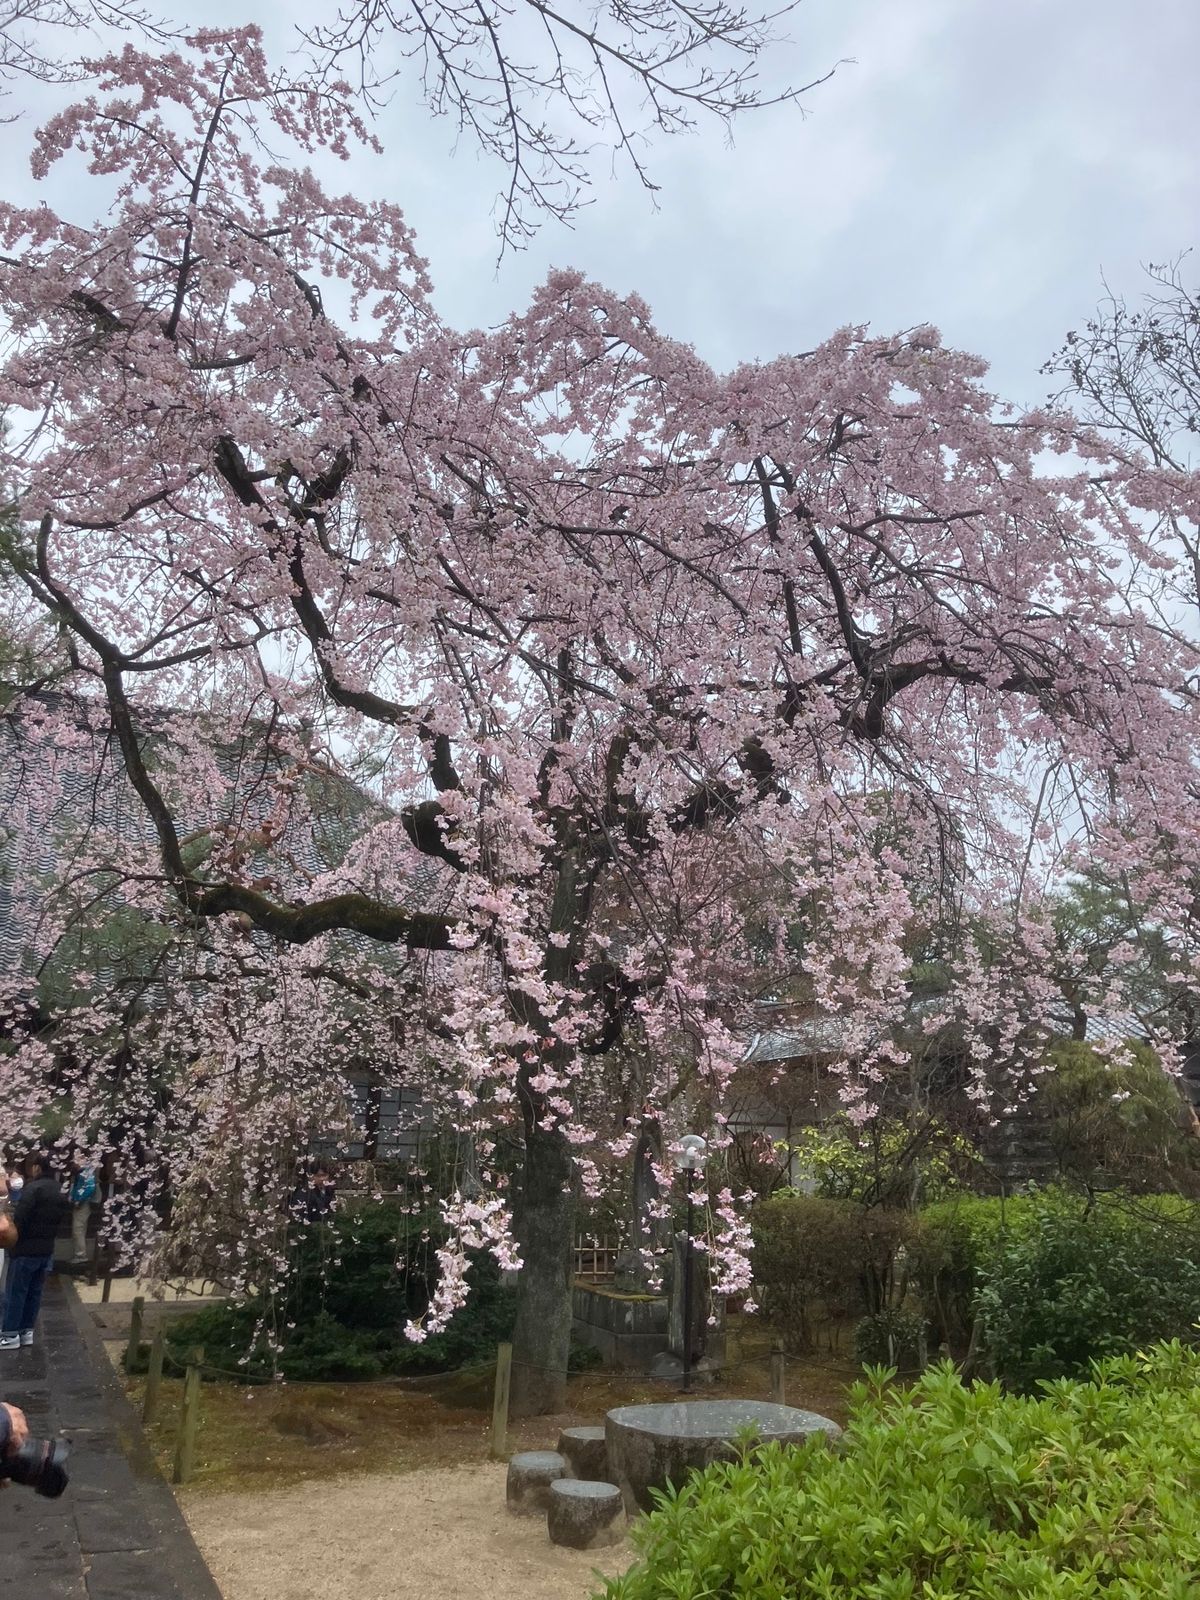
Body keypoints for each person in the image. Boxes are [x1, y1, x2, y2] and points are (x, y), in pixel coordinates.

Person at [0, 1154, 68, 1353]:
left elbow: (20, 1218)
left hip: (25, 1250)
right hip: (46, 1250)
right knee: (34, 1293)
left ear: (37, 1168)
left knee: (16, 1292)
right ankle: (26, 1331)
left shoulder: (33, 1189)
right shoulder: (58, 1190)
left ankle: (10, 1334)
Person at [68, 1157, 98, 1265]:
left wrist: (79, 1200)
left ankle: (80, 1255)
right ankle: (79, 1253)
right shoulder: (81, 1172)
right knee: (79, 1229)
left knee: (78, 1229)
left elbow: (90, 1188)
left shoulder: (86, 1172)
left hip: (82, 1203)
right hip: (79, 1202)